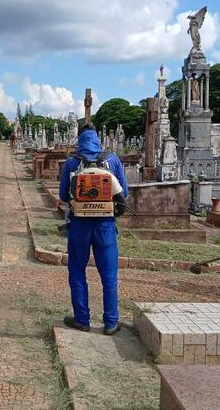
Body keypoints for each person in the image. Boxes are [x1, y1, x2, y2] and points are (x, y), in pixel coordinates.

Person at [59, 123, 129, 335]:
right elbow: (123, 192)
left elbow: (63, 195)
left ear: (79, 139)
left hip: (79, 224)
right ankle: (110, 323)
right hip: (105, 225)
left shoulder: (72, 162)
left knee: (77, 272)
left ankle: (82, 319)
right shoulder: (112, 160)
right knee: (109, 275)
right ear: (97, 138)